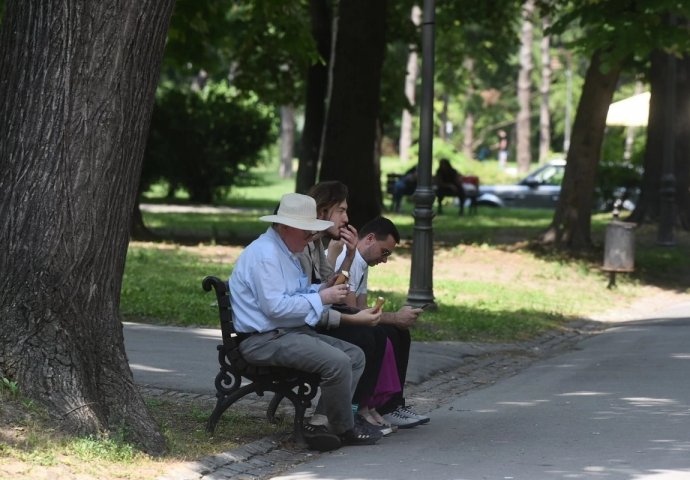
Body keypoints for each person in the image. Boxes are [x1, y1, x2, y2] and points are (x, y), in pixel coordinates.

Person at [229, 192, 382, 451]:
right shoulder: (266, 255)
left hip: (284, 333)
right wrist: (322, 297)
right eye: (306, 232)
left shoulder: (283, 250)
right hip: (263, 340)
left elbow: (293, 294)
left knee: (354, 356)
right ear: (286, 227)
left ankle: (323, 422)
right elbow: (276, 308)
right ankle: (345, 428)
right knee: (338, 361)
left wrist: (322, 287)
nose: (311, 238)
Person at [297, 181, 396, 435]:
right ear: (323, 211)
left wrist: (350, 256)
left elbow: (330, 283)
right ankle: (351, 412)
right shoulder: (301, 245)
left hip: (311, 316)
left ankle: (356, 411)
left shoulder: (315, 244)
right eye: (341, 210)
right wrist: (352, 316)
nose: (347, 218)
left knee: (375, 333)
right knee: (364, 336)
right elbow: (319, 296)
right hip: (302, 322)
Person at [333, 216, 431, 428]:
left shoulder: (362, 262)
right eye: (384, 252)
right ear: (369, 239)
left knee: (398, 332)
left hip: (343, 318)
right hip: (332, 321)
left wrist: (394, 318)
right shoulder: (348, 258)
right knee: (377, 335)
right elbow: (352, 310)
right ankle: (363, 406)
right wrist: (394, 317)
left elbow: (362, 306)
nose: (384, 259)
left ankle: (391, 405)